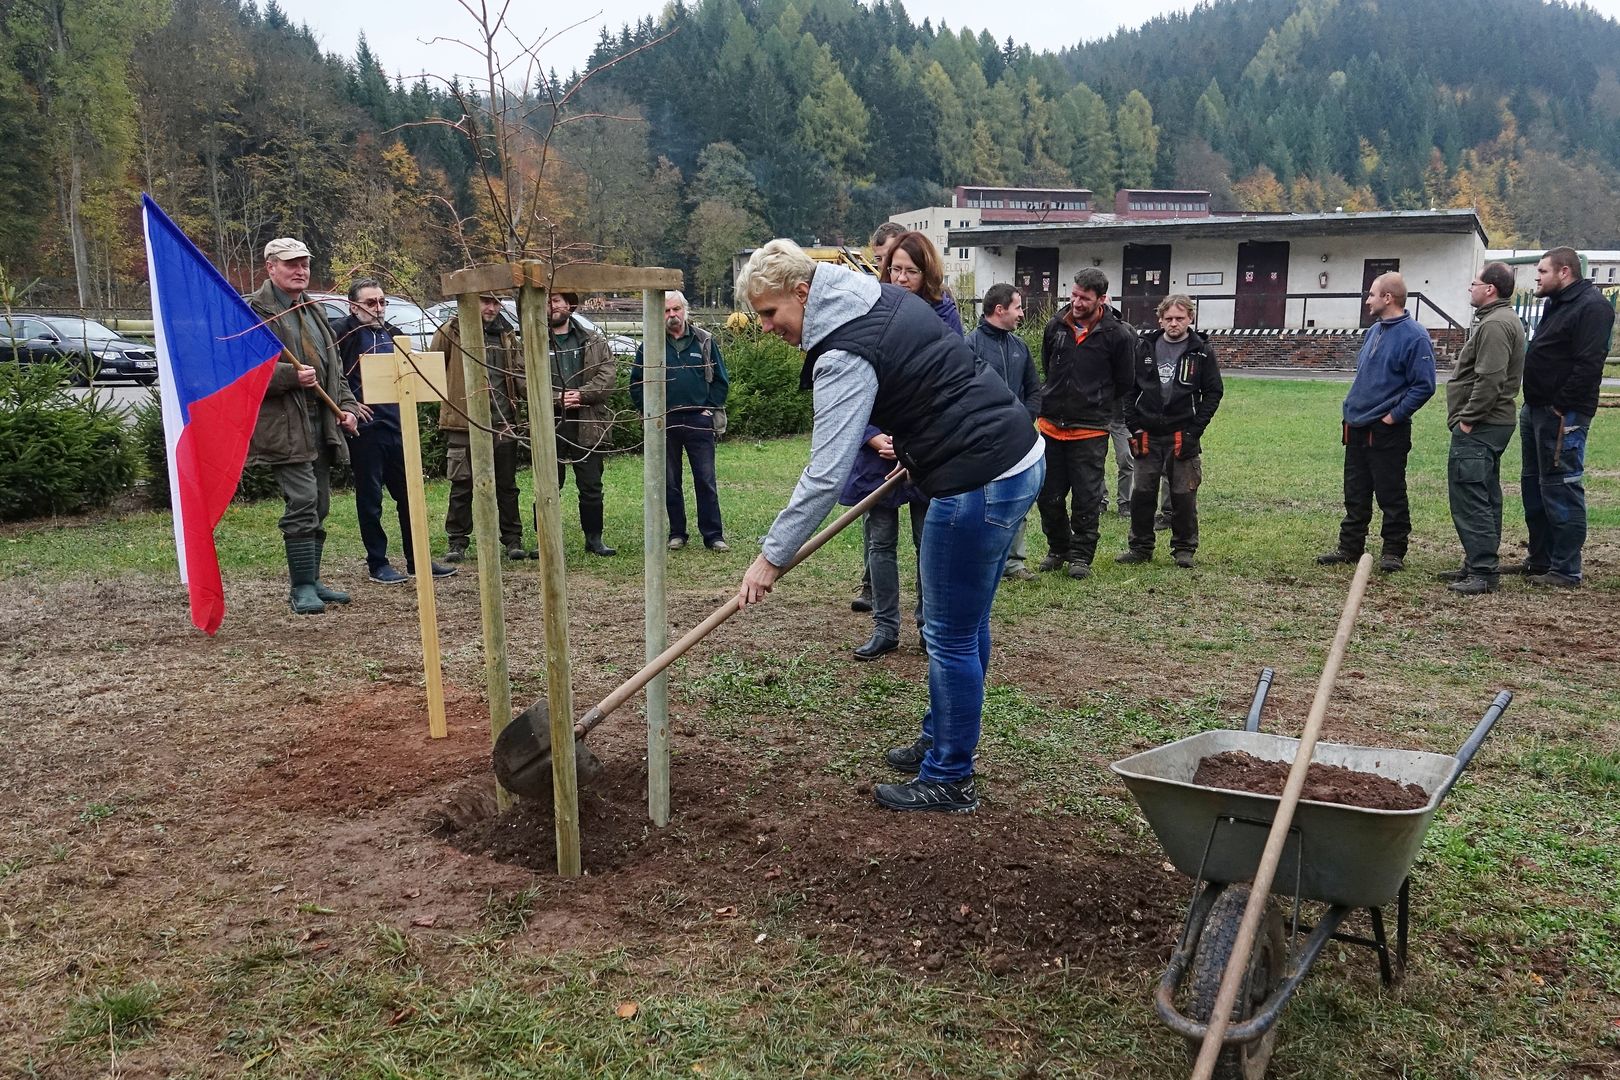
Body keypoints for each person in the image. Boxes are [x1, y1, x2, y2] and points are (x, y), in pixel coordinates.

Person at [735, 240, 1044, 814]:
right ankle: (944, 737)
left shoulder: (842, 352)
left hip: (977, 478)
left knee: (950, 632)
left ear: (803, 294)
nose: (767, 326)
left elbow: (825, 475)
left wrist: (771, 556)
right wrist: (917, 443)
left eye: (770, 313)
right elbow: (930, 377)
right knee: (966, 622)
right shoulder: (874, 295)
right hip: (1017, 454)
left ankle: (950, 775)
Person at [245, 237, 363, 615]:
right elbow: (244, 374)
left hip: (321, 423)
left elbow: (334, 372)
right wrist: (288, 377)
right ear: (270, 267)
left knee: (321, 503)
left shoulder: (313, 311)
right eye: (291, 264)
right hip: (285, 425)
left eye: (305, 264)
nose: (300, 271)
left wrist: (346, 407)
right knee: (303, 501)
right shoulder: (253, 313)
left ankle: (312, 578)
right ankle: (301, 588)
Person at [330, 278, 455, 584]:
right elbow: (330, 374)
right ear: (353, 305)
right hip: (366, 431)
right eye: (370, 303)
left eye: (382, 302)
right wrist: (348, 406)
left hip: (399, 427)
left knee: (409, 496)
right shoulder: (341, 334)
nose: (378, 308)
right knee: (371, 500)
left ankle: (418, 559)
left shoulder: (394, 335)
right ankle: (378, 562)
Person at [1316, 272, 1436, 572]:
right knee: (1355, 492)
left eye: (1372, 294)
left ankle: (1393, 551)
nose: (1367, 299)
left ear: (1388, 298)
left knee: (1390, 492)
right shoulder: (1374, 331)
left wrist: (1393, 417)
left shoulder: (1415, 336)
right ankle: (1350, 547)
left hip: (1386, 431)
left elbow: (1424, 386)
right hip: (1356, 425)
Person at [1510, 247, 1613, 588]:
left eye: (1541, 271)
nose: (1536, 277)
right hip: (1536, 408)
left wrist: (1560, 405)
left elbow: (1589, 364)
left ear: (1564, 271)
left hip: (1562, 413)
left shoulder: (1592, 307)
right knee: (1534, 485)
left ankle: (1566, 569)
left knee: (1561, 486)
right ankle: (1540, 559)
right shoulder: (1558, 302)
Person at [1034, 268, 1136, 580]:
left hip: (1089, 429)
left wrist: (1096, 403)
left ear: (1102, 299)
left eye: (1085, 298)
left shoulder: (1119, 335)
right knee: (1048, 496)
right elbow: (1047, 365)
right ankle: (1058, 548)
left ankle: (1081, 555)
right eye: (1074, 295)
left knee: (1087, 499)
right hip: (1051, 426)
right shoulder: (1056, 326)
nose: (1076, 302)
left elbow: (1125, 381)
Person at [1436, 263, 1525, 595]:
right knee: (1484, 492)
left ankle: (1484, 570)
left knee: (1471, 493)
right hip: (1491, 422)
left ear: (1490, 289)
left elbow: (1490, 378)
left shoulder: (1496, 325)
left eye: (1474, 283)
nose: (1470, 288)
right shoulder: (1498, 321)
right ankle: (1477, 562)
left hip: (1484, 424)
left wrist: (1469, 417)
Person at [1118, 295, 1223, 568]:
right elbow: (1129, 389)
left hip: (1182, 433)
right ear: (1160, 319)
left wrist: (1194, 431)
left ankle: (1184, 549)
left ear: (1190, 318)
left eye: (1180, 318)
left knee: (1183, 495)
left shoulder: (1201, 350)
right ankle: (1140, 547)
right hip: (1147, 433)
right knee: (1141, 494)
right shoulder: (1145, 346)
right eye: (1168, 318)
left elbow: (1213, 392)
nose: (1174, 323)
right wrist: (1134, 425)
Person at [632, 290, 730, 552]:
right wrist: (650, 412)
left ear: (685, 310)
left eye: (676, 309)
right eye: (666, 311)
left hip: (698, 420)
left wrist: (709, 408)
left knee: (705, 479)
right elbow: (636, 384)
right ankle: (677, 533)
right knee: (670, 481)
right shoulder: (651, 344)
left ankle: (713, 535)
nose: (672, 315)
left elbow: (721, 380)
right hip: (664, 422)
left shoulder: (704, 341)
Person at [435, 291, 527, 562]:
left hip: (502, 422)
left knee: (507, 485)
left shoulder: (507, 335)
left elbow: (519, 374)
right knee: (462, 485)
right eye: (485, 300)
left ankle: (512, 539)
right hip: (462, 423)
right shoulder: (450, 332)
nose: (492, 307)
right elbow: (432, 370)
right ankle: (457, 541)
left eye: (497, 301)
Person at [966, 284, 1041, 581]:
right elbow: (963, 392)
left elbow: (1034, 390)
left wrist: (1025, 419)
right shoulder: (969, 345)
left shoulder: (1019, 347)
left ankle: (1013, 562)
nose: (1022, 313)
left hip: (1019, 440)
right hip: (982, 440)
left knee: (1019, 497)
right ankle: (979, 559)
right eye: (1018, 307)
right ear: (1000, 310)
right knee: (980, 500)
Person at [549, 290, 620, 557]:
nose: (551, 306)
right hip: (551, 423)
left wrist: (582, 394)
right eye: (547, 301)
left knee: (591, 486)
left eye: (556, 300)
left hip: (587, 421)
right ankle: (546, 541)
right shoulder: (534, 341)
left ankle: (594, 539)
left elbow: (607, 374)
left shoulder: (593, 340)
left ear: (569, 305)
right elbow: (523, 380)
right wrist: (557, 398)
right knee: (548, 486)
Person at [882, 230, 963, 335]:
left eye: (912, 271)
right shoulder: (878, 309)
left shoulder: (945, 316)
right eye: (896, 269)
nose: (901, 278)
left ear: (927, 274)